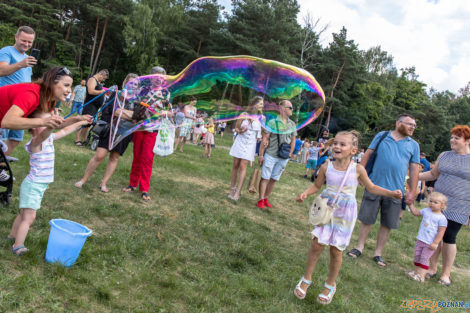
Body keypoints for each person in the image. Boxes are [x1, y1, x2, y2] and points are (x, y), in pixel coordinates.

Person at [293, 131, 401, 304]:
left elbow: (371, 187)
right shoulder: (326, 166)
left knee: (336, 250)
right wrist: (305, 193)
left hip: (345, 215)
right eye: (335, 143)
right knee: (316, 244)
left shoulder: (358, 169)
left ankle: (330, 284)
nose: (337, 146)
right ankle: (306, 279)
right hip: (327, 210)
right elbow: (316, 185)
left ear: (353, 150)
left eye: (342, 144)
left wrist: (390, 193)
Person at [8, 109, 90, 255]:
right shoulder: (35, 143)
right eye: (46, 122)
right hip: (33, 186)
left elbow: (65, 131)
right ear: (34, 127)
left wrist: (80, 122)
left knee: (23, 214)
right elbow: (43, 134)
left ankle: (12, 236)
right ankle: (18, 246)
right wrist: (51, 126)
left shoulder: (49, 138)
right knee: (29, 217)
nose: (50, 125)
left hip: (37, 186)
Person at [347, 114, 420, 267]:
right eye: (409, 124)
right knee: (367, 218)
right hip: (374, 185)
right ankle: (359, 247)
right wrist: (361, 174)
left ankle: (378, 253)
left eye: (414, 125)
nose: (413, 127)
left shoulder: (414, 145)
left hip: (396, 191)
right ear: (398, 123)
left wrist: (413, 190)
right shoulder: (382, 136)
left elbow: (414, 169)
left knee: (387, 223)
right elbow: (368, 153)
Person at [417, 125, 470, 286]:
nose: (452, 140)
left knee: (449, 237)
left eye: (457, 138)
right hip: (438, 203)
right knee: (434, 235)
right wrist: (413, 176)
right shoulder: (445, 155)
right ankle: (432, 268)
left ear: (467, 141)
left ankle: (446, 274)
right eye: (452, 137)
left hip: (460, 206)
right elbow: (433, 174)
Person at [74, 73, 138, 192]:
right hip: (110, 129)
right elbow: (110, 111)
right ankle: (83, 180)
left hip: (124, 133)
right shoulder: (117, 94)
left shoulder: (138, 100)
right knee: (100, 155)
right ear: (125, 83)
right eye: (130, 82)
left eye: (135, 84)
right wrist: (128, 114)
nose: (133, 85)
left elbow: (138, 116)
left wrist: (122, 112)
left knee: (114, 157)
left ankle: (104, 183)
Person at [122, 66, 171, 201]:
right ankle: (132, 184)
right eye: (155, 77)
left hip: (153, 129)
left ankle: (144, 189)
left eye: (161, 78)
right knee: (137, 156)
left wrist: (162, 112)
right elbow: (135, 103)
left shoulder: (166, 93)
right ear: (150, 78)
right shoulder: (143, 90)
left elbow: (168, 111)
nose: (158, 80)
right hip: (139, 126)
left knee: (147, 158)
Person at [0, 66, 89, 135]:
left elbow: (52, 123)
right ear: (51, 83)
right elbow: (7, 122)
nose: (70, 90)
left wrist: (77, 119)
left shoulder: (47, 99)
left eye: (70, 86)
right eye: (66, 85)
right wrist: (43, 122)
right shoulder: (31, 94)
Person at [0, 26, 37, 155]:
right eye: (23, 40)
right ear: (16, 37)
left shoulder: (28, 59)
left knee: (15, 139)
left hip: (20, 104)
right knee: (1, 139)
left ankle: (1, 164)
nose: (26, 44)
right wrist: (21, 64)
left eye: (29, 42)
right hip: (5, 101)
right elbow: (1, 71)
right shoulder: (7, 51)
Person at [257, 100, 297, 209]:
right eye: (291, 107)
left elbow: (293, 140)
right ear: (283, 109)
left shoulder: (292, 124)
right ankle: (260, 199)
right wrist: (261, 155)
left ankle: (266, 198)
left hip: (283, 156)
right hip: (271, 154)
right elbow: (265, 139)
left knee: (274, 178)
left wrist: (290, 153)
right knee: (265, 177)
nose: (292, 110)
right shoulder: (272, 122)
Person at [406, 192, 447, 283]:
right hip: (421, 239)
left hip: (430, 243)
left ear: (442, 205)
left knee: (424, 258)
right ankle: (416, 272)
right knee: (417, 256)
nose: (432, 203)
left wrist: (435, 243)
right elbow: (416, 213)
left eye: (435, 202)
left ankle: (421, 276)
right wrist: (410, 205)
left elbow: (441, 232)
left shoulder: (442, 218)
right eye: (431, 201)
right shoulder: (426, 210)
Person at [228, 96, 264, 200]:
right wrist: (240, 131)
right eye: (261, 104)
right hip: (240, 141)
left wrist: (261, 140)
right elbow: (236, 128)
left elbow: (261, 134)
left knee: (243, 166)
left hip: (250, 144)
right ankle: (232, 188)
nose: (262, 106)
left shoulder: (262, 118)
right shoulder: (244, 115)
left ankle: (238, 192)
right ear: (255, 104)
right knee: (235, 165)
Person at [76, 69, 109, 145]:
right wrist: (102, 91)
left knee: (88, 124)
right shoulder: (92, 79)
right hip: (90, 105)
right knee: (83, 122)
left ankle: (83, 139)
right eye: (103, 78)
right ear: (100, 74)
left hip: (95, 106)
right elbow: (91, 91)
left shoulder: (98, 82)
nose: (103, 80)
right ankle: (77, 140)